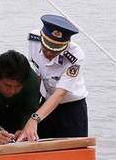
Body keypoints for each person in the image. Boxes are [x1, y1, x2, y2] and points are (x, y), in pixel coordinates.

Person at [17, 14, 89, 142]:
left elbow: (60, 94)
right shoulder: (33, 39)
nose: (49, 53)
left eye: (55, 50)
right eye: (46, 48)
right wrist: (30, 111)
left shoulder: (75, 55)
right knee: (40, 148)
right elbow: (37, 74)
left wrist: (34, 119)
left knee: (74, 152)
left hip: (71, 109)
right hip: (45, 103)